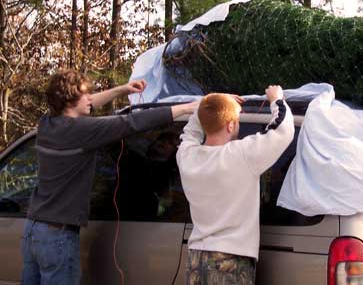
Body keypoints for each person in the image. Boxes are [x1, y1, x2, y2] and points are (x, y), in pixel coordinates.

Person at [21, 69, 197, 285]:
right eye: (85, 95)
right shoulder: (82, 130)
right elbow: (131, 122)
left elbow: (89, 103)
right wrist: (187, 108)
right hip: (58, 235)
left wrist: (122, 90)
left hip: (33, 230)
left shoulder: (47, 123)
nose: (90, 99)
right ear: (70, 100)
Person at [176, 86, 295, 285]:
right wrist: (277, 99)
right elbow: (283, 130)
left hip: (196, 260)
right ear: (230, 125)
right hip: (231, 261)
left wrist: (211, 103)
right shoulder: (242, 154)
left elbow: (191, 130)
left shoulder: (186, 156)